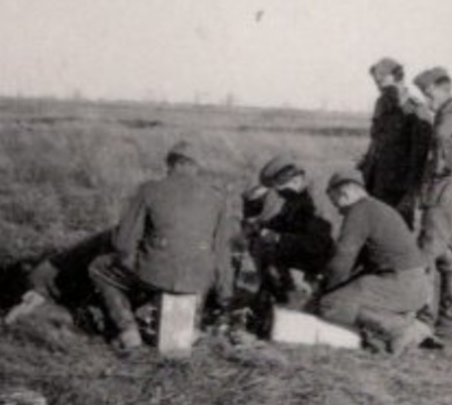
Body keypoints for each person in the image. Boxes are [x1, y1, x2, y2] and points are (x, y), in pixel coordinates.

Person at [88, 141, 234, 351]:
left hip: (154, 274)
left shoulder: (149, 190)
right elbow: (222, 253)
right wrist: (223, 295)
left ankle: (127, 330)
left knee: (99, 267)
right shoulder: (217, 198)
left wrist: (131, 261)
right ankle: (190, 326)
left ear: (171, 163)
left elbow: (122, 242)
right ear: (197, 166)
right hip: (198, 279)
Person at [317, 168, 432, 352]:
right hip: (416, 285)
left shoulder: (359, 211)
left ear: (344, 193)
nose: (338, 211)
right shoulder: (377, 208)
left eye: (335, 202)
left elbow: (343, 258)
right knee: (348, 297)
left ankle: (401, 329)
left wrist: (327, 289)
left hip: (400, 283)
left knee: (330, 305)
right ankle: (408, 325)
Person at [412, 66, 452, 325]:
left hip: (443, 199)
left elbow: (439, 145)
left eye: (429, 94)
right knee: (448, 259)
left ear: (443, 89)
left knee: (423, 260)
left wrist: (431, 170)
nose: (428, 101)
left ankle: (423, 318)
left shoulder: (446, 117)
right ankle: (448, 319)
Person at [245, 154, 335, 305]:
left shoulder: (315, 204)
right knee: (259, 244)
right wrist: (260, 226)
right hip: (299, 255)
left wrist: (278, 238)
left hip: (314, 264)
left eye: (282, 189)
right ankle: (274, 298)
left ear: (296, 180)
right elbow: (282, 222)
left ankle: (290, 300)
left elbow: (318, 244)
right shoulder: (295, 199)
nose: (281, 195)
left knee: (268, 251)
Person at [356, 56, 432, 228]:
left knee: (397, 233)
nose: (378, 85)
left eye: (382, 81)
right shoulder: (381, 104)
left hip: (398, 190)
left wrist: (411, 193)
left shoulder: (415, 110)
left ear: (398, 77)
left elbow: (419, 157)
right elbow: (377, 140)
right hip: (375, 183)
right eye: (376, 82)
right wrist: (366, 161)